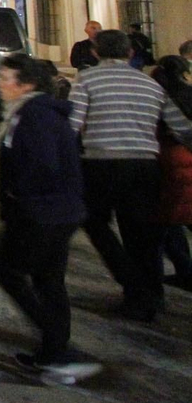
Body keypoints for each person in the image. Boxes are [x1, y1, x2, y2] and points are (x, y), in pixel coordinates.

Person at [69, 29, 192, 322]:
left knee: (93, 222)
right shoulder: (150, 85)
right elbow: (182, 128)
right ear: (130, 53)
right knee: (142, 235)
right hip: (143, 167)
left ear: (95, 52)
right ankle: (150, 297)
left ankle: (132, 284)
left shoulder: (86, 79)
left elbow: (72, 124)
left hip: (100, 165)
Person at [0, 53, 99, 382]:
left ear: (26, 84)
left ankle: (61, 351)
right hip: (55, 210)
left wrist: (17, 197)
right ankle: (55, 353)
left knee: (9, 273)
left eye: (5, 78)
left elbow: (40, 166)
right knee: (49, 280)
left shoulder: (34, 116)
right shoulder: (33, 113)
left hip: (40, 212)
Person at [151, 55, 192, 291]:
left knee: (167, 221)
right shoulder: (187, 92)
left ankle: (183, 269)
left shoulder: (161, 97)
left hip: (169, 160)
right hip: (183, 158)